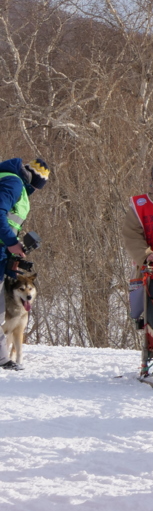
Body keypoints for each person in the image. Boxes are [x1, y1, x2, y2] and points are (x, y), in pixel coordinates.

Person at [0, 156, 49, 370]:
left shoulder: (8, 179)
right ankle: (2, 359)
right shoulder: (14, 182)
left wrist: (11, 253)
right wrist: (11, 243)